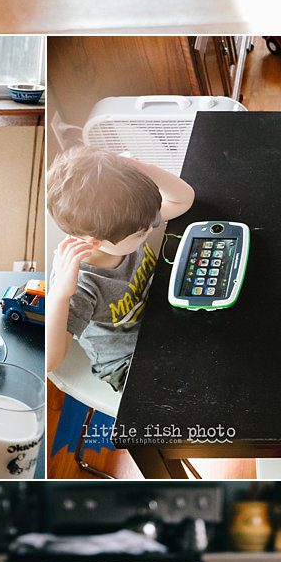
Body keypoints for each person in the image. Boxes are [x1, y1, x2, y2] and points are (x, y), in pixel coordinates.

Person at [42, 145, 195, 387]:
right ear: (95, 242)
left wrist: (140, 169)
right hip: (125, 362)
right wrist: (59, 295)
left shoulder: (127, 222)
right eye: (140, 234)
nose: (150, 228)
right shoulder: (80, 281)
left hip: (163, 318)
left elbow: (183, 199)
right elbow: (50, 361)